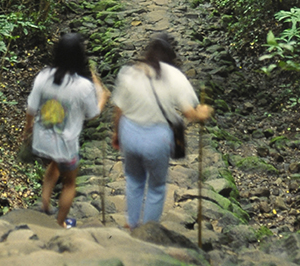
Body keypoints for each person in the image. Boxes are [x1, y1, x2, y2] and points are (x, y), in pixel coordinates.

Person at [111, 33, 213, 229]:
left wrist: (117, 134)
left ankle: (131, 223)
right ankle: (149, 230)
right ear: (171, 55)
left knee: (134, 181)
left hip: (129, 134)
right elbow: (189, 113)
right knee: (156, 188)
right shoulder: (175, 76)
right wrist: (204, 113)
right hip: (157, 139)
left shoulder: (130, 72)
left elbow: (118, 110)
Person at [23, 33, 109, 228]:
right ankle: (60, 223)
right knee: (70, 182)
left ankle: (44, 205)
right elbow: (93, 114)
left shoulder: (44, 76)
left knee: (52, 166)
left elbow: (31, 107)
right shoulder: (83, 85)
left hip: (42, 139)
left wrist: (28, 129)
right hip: (66, 144)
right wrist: (102, 96)